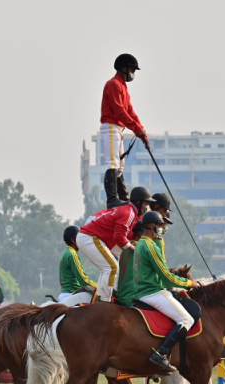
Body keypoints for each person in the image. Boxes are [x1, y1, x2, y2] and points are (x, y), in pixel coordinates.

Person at [134, 211, 199, 373]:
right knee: (186, 320)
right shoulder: (150, 247)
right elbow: (166, 278)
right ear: (151, 226)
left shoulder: (141, 244)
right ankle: (161, 353)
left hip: (142, 291)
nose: (162, 228)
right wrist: (189, 283)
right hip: (152, 292)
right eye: (160, 225)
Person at [77, 186, 155, 303]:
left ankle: (109, 294)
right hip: (89, 237)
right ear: (139, 202)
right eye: (146, 203)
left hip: (96, 238)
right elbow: (119, 237)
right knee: (111, 267)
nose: (147, 207)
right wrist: (133, 248)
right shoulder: (129, 213)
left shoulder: (131, 211)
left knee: (115, 264)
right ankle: (104, 300)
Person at [101, 53, 150, 208]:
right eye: (132, 70)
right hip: (111, 126)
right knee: (113, 162)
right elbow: (119, 111)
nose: (133, 73)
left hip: (119, 128)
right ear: (123, 68)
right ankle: (112, 199)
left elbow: (130, 111)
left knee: (120, 165)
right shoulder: (113, 84)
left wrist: (142, 132)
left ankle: (123, 197)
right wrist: (136, 129)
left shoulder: (123, 87)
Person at [58, 226, 97, 301]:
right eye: (81, 238)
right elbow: (83, 280)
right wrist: (99, 287)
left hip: (66, 293)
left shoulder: (66, 253)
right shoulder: (72, 254)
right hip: (71, 294)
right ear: (73, 240)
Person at [114, 221, 144, 306]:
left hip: (121, 295)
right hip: (133, 296)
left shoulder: (125, 249)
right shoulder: (140, 249)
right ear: (143, 233)